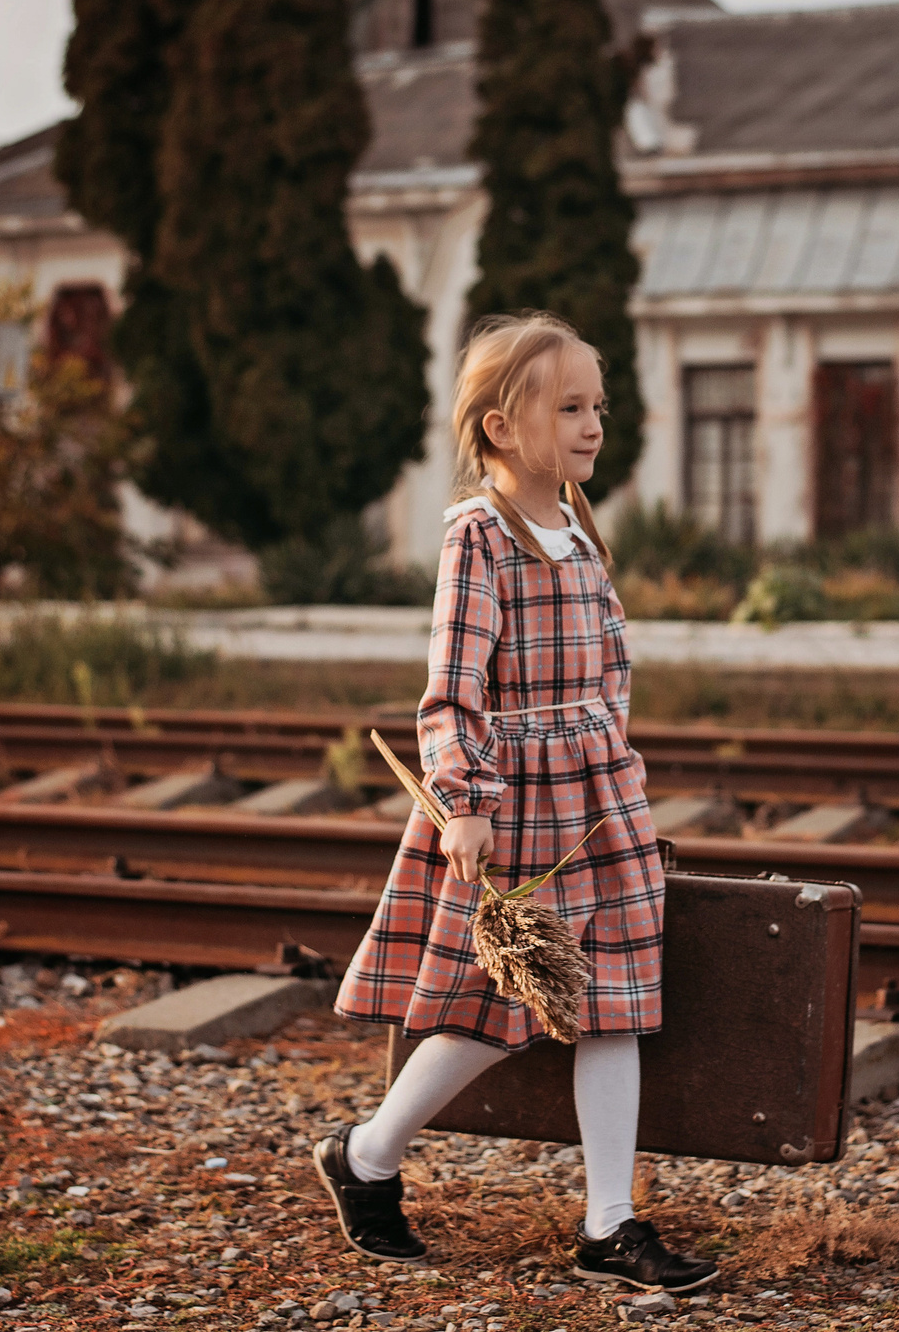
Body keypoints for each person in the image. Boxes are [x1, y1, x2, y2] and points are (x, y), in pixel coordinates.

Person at [316, 312, 717, 1295]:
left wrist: (614, 766)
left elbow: (608, 672)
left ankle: (609, 1223)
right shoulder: (480, 538)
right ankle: (365, 1152)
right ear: (500, 427)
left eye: (597, 406)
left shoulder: (579, 525)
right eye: (567, 406)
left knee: (614, 1004)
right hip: (516, 802)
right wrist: (463, 799)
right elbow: (451, 694)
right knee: (496, 1005)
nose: (591, 424)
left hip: (599, 801)